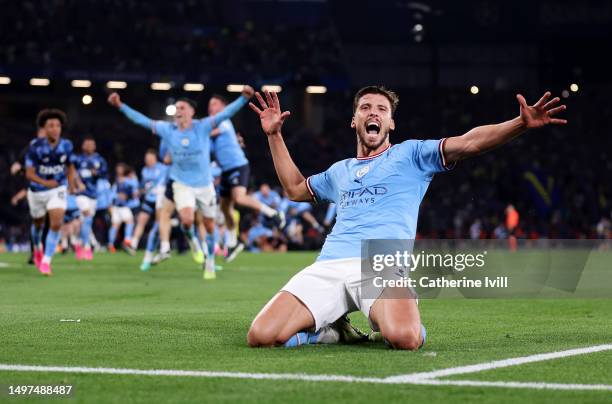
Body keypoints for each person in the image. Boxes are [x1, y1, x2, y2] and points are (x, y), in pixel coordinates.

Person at [246, 87, 567, 349]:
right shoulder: (338, 171)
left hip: (380, 262)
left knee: (405, 338)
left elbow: (470, 142)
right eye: (366, 108)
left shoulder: (412, 155)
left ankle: (386, 317)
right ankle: (330, 331)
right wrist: (274, 135)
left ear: (391, 123)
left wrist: (520, 124)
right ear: (353, 120)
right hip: (329, 263)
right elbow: (294, 189)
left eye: (382, 109)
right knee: (261, 336)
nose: (373, 112)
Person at [108, 86, 254, 280]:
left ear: (192, 112)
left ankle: (209, 260)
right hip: (181, 183)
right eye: (176, 108)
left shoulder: (203, 126)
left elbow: (226, 113)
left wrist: (243, 99)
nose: (178, 111)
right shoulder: (168, 129)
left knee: (210, 226)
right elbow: (141, 120)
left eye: (182, 107)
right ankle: (193, 242)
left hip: (204, 184)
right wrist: (121, 106)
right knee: (186, 219)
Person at [209, 94, 285, 262]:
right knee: (225, 207)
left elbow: (208, 133)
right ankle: (232, 242)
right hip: (226, 171)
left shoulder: (222, 121)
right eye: (210, 104)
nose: (211, 107)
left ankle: (273, 213)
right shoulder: (214, 124)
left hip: (237, 165)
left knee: (239, 198)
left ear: (223, 107)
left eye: (214, 103)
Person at [25, 109, 78, 275]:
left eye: (58, 125)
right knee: (38, 224)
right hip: (37, 191)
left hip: (58, 189)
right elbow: (29, 173)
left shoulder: (67, 145)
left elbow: (70, 166)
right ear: (44, 128)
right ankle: (37, 249)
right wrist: (45, 182)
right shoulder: (35, 146)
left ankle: (46, 261)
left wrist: (71, 184)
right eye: (51, 125)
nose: (55, 128)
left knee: (56, 223)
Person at [73, 136, 107, 260]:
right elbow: (71, 172)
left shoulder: (99, 159)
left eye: (91, 144)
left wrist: (96, 173)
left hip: (93, 195)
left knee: (85, 222)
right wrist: (77, 183)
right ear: (83, 146)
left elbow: (104, 172)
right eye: (86, 144)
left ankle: (77, 243)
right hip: (81, 194)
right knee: (87, 218)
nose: (89, 146)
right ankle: (87, 247)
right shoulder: (77, 159)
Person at [108, 163, 137, 253]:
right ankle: (112, 244)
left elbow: (134, 191)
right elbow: (111, 193)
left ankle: (126, 240)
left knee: (128, 221)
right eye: (118, 169)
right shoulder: (116, 180)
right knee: (116, 225)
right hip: (117, 206)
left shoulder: (128, 180)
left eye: (121, 169)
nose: (119, 170)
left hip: (124, 206)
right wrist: (116, 197)